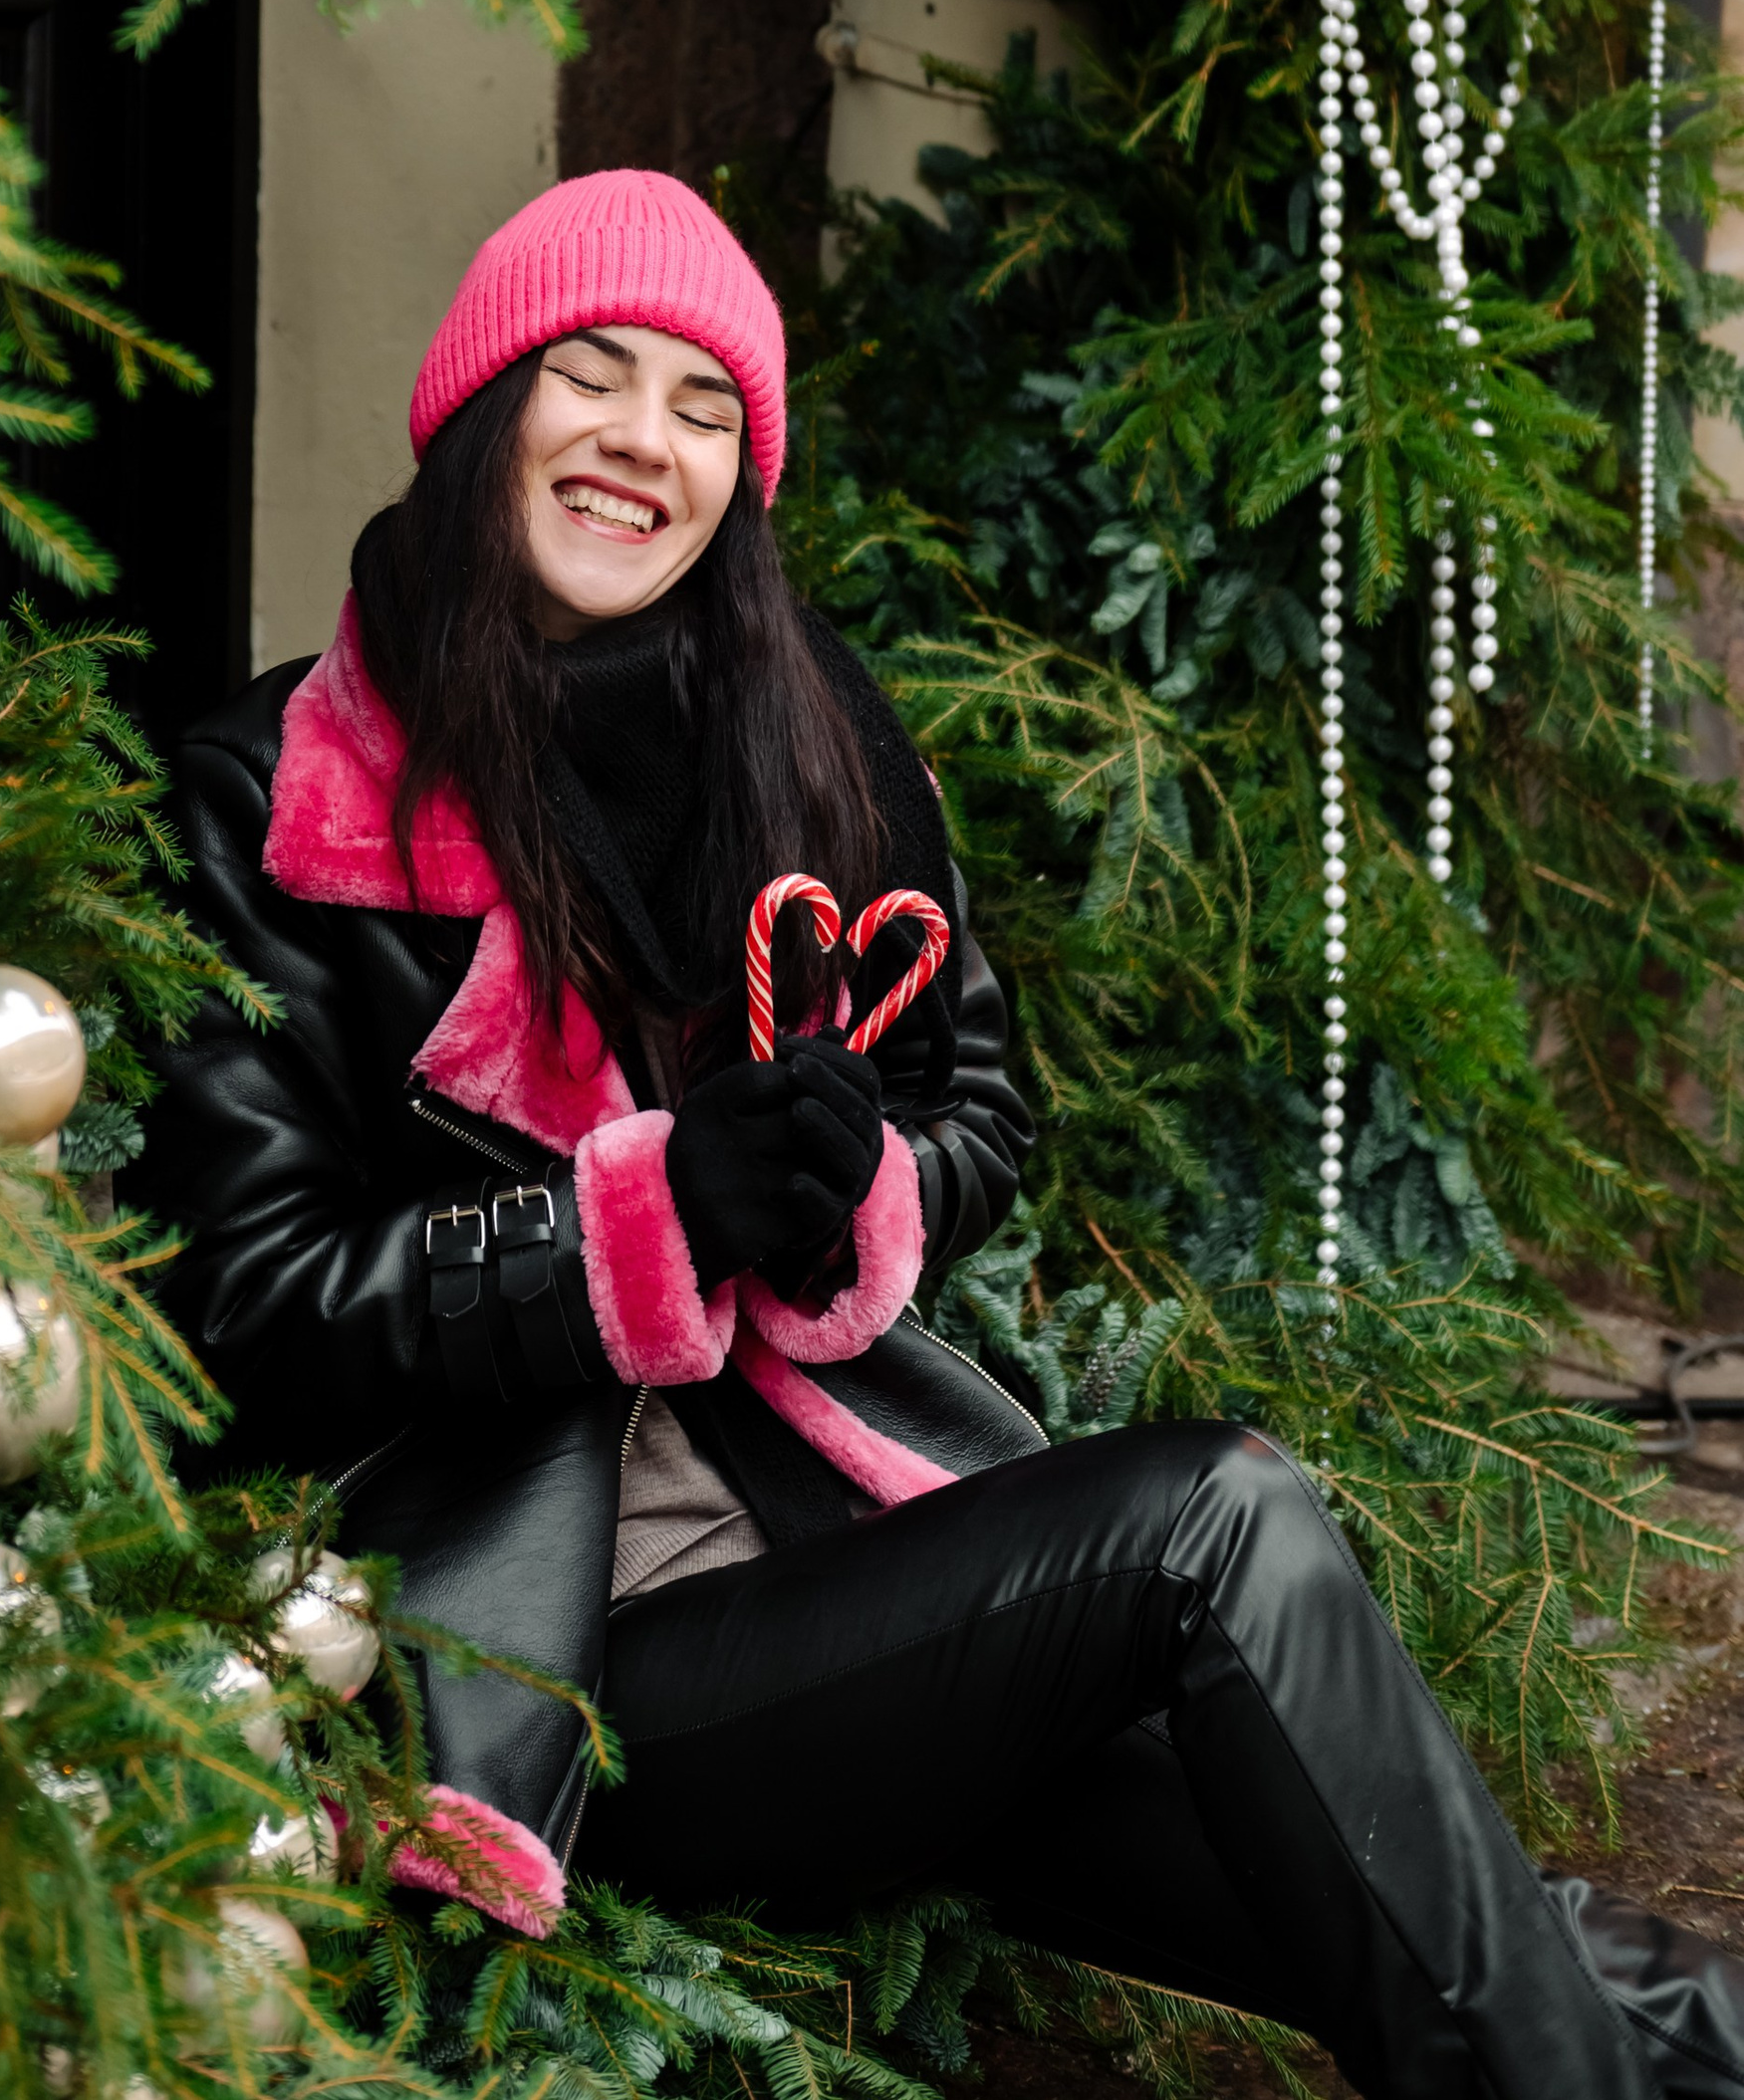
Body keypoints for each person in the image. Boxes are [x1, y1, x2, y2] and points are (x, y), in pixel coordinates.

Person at [133, 170, 1744, 2100]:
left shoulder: (802, 732)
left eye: (702, 403)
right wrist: (630, 1229)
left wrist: (848, 1190)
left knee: (1442, 1911)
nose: (644, 440)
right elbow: (242, 1305)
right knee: (1213, 1520)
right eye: (592, 375)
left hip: (838, 1540)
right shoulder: (262, 801)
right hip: (549, 1650)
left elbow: (974, 1103)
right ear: (484, 404)